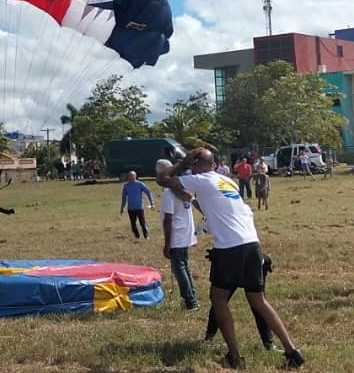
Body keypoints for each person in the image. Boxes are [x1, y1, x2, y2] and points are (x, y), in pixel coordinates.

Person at [158, 149, 304, 370]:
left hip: (230, 249)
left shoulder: (197, 179)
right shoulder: (227, 181)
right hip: (252, 244)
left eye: (192, 165)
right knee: (259, 301)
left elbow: (162, 179)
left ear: (195, 165)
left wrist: (182, 163)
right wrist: (200, 214)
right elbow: (221, 211)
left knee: (218, 300)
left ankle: (235, 357)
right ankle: (292, 351)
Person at [157, 160, 198, 310]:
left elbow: (168, 219)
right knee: (184, 266)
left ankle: (190, 301)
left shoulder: (169, 192)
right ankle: (191, 296)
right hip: (185, 232)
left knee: (179, 268)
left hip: (177, 234)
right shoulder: (183, 187)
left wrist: (167, 244)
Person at [120, 171, 154, 239]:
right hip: (131, 208)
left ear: (135, 176)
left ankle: (146, 236)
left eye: (132, 176)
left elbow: (148, 192)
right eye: (129, 176)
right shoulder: (126, 186)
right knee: (133, 224)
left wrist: (152, 203)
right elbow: (124, 197)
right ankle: (137, 236)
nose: (131, 178)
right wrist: (122, 207)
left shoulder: (140, 184)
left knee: (142, 222)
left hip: (139, 207)